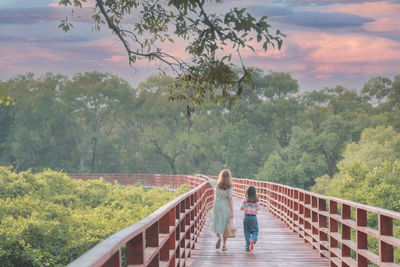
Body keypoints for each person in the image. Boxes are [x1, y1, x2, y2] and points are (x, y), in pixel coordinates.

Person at [210, 169, 234, 251]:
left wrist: (200, 175)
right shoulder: (230, 186)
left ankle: (218, 237)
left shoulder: (216, 184)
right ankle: (224, 246)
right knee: (225, 226)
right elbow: (230, 200)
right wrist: (232, 212)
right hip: (225, 206)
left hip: (217, 205)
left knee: (216, 222)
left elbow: (207, 179)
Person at [240, 186, 260, 252]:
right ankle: (253, 239)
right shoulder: (256, 199)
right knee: (255, 231)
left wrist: (246, 207)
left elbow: (241, 208)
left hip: (246, 217)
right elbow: (258, 208)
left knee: (246, 232)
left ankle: (247, 246)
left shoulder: (245, 199)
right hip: (253, 217)